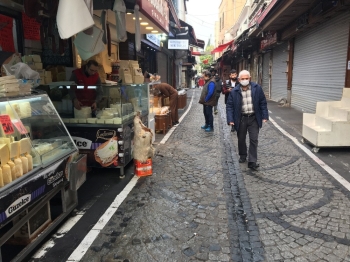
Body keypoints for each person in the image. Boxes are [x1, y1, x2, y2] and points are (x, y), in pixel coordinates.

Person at [226, 70, 269, 170]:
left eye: (246, 78)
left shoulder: (256, 88)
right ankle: (243, 155)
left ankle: (252, 161)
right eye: (242, 79)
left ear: (250, 78)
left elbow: (263, 102)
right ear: (239, 79)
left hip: (254, 118)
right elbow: (229, 106)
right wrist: (230, 119)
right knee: (241, 139)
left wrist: (265, 116)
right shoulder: (235, 91)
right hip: (241, 118)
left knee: (254, 139)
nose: (245, 80)